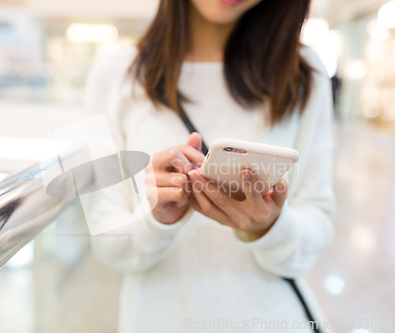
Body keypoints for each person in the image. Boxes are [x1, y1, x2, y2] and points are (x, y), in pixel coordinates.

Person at [85, 0, 335, 332]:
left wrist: (268, 226)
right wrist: (155, 221)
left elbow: (318, 220)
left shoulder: (305, 70)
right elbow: (105, 243)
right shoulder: (110, 75)